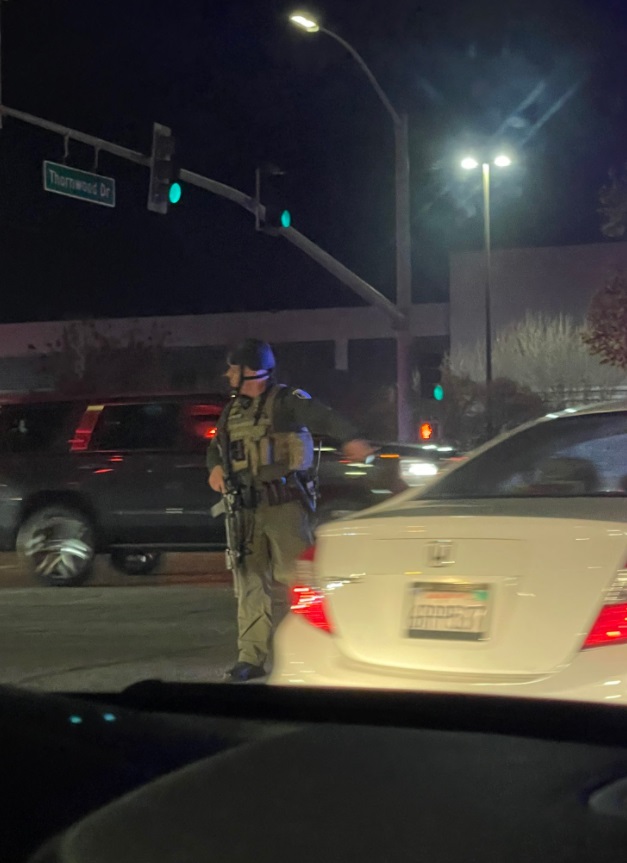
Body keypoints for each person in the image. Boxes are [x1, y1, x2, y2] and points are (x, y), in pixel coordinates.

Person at [207, 338, 373, 682]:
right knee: (250, 584)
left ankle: (321, 648)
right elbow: (217, 447)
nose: (227, 375)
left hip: (285, 508)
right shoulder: (231, 411)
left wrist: (351, 438)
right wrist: (215, 467)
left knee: (300, 581)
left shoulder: (287, 402)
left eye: (233, 368)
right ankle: (250, 657)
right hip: (245, 512)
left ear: (250, 371)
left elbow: (323, 416)